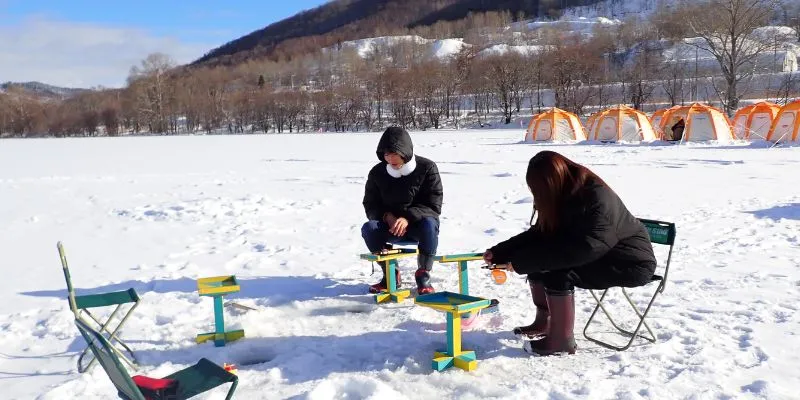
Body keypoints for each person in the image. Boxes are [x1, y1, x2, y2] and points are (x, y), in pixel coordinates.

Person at [483, 150, 656, 356]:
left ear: (552, 181)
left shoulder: (597, 199)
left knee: (556, 271)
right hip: (599, 254)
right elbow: (541, 233)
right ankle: (545, 323)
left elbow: (585, 249)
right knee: (540, 265)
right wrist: (501, 252)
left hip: (629, 263)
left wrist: (523, 262)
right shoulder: (564, 193)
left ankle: (561, 340)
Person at [361, 126, 443, 295]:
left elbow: (434, 205)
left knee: (429, 223)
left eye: (394, 156)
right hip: (390, 227)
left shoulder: (427, 168)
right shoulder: (377, 172)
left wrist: (408, 218)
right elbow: (370, 203)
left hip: (419, 228)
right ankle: (391, 275)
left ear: (405, 153)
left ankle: (423, 275)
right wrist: (385, 216)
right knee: (369, 228)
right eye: (386, 156)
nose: (390, 160)